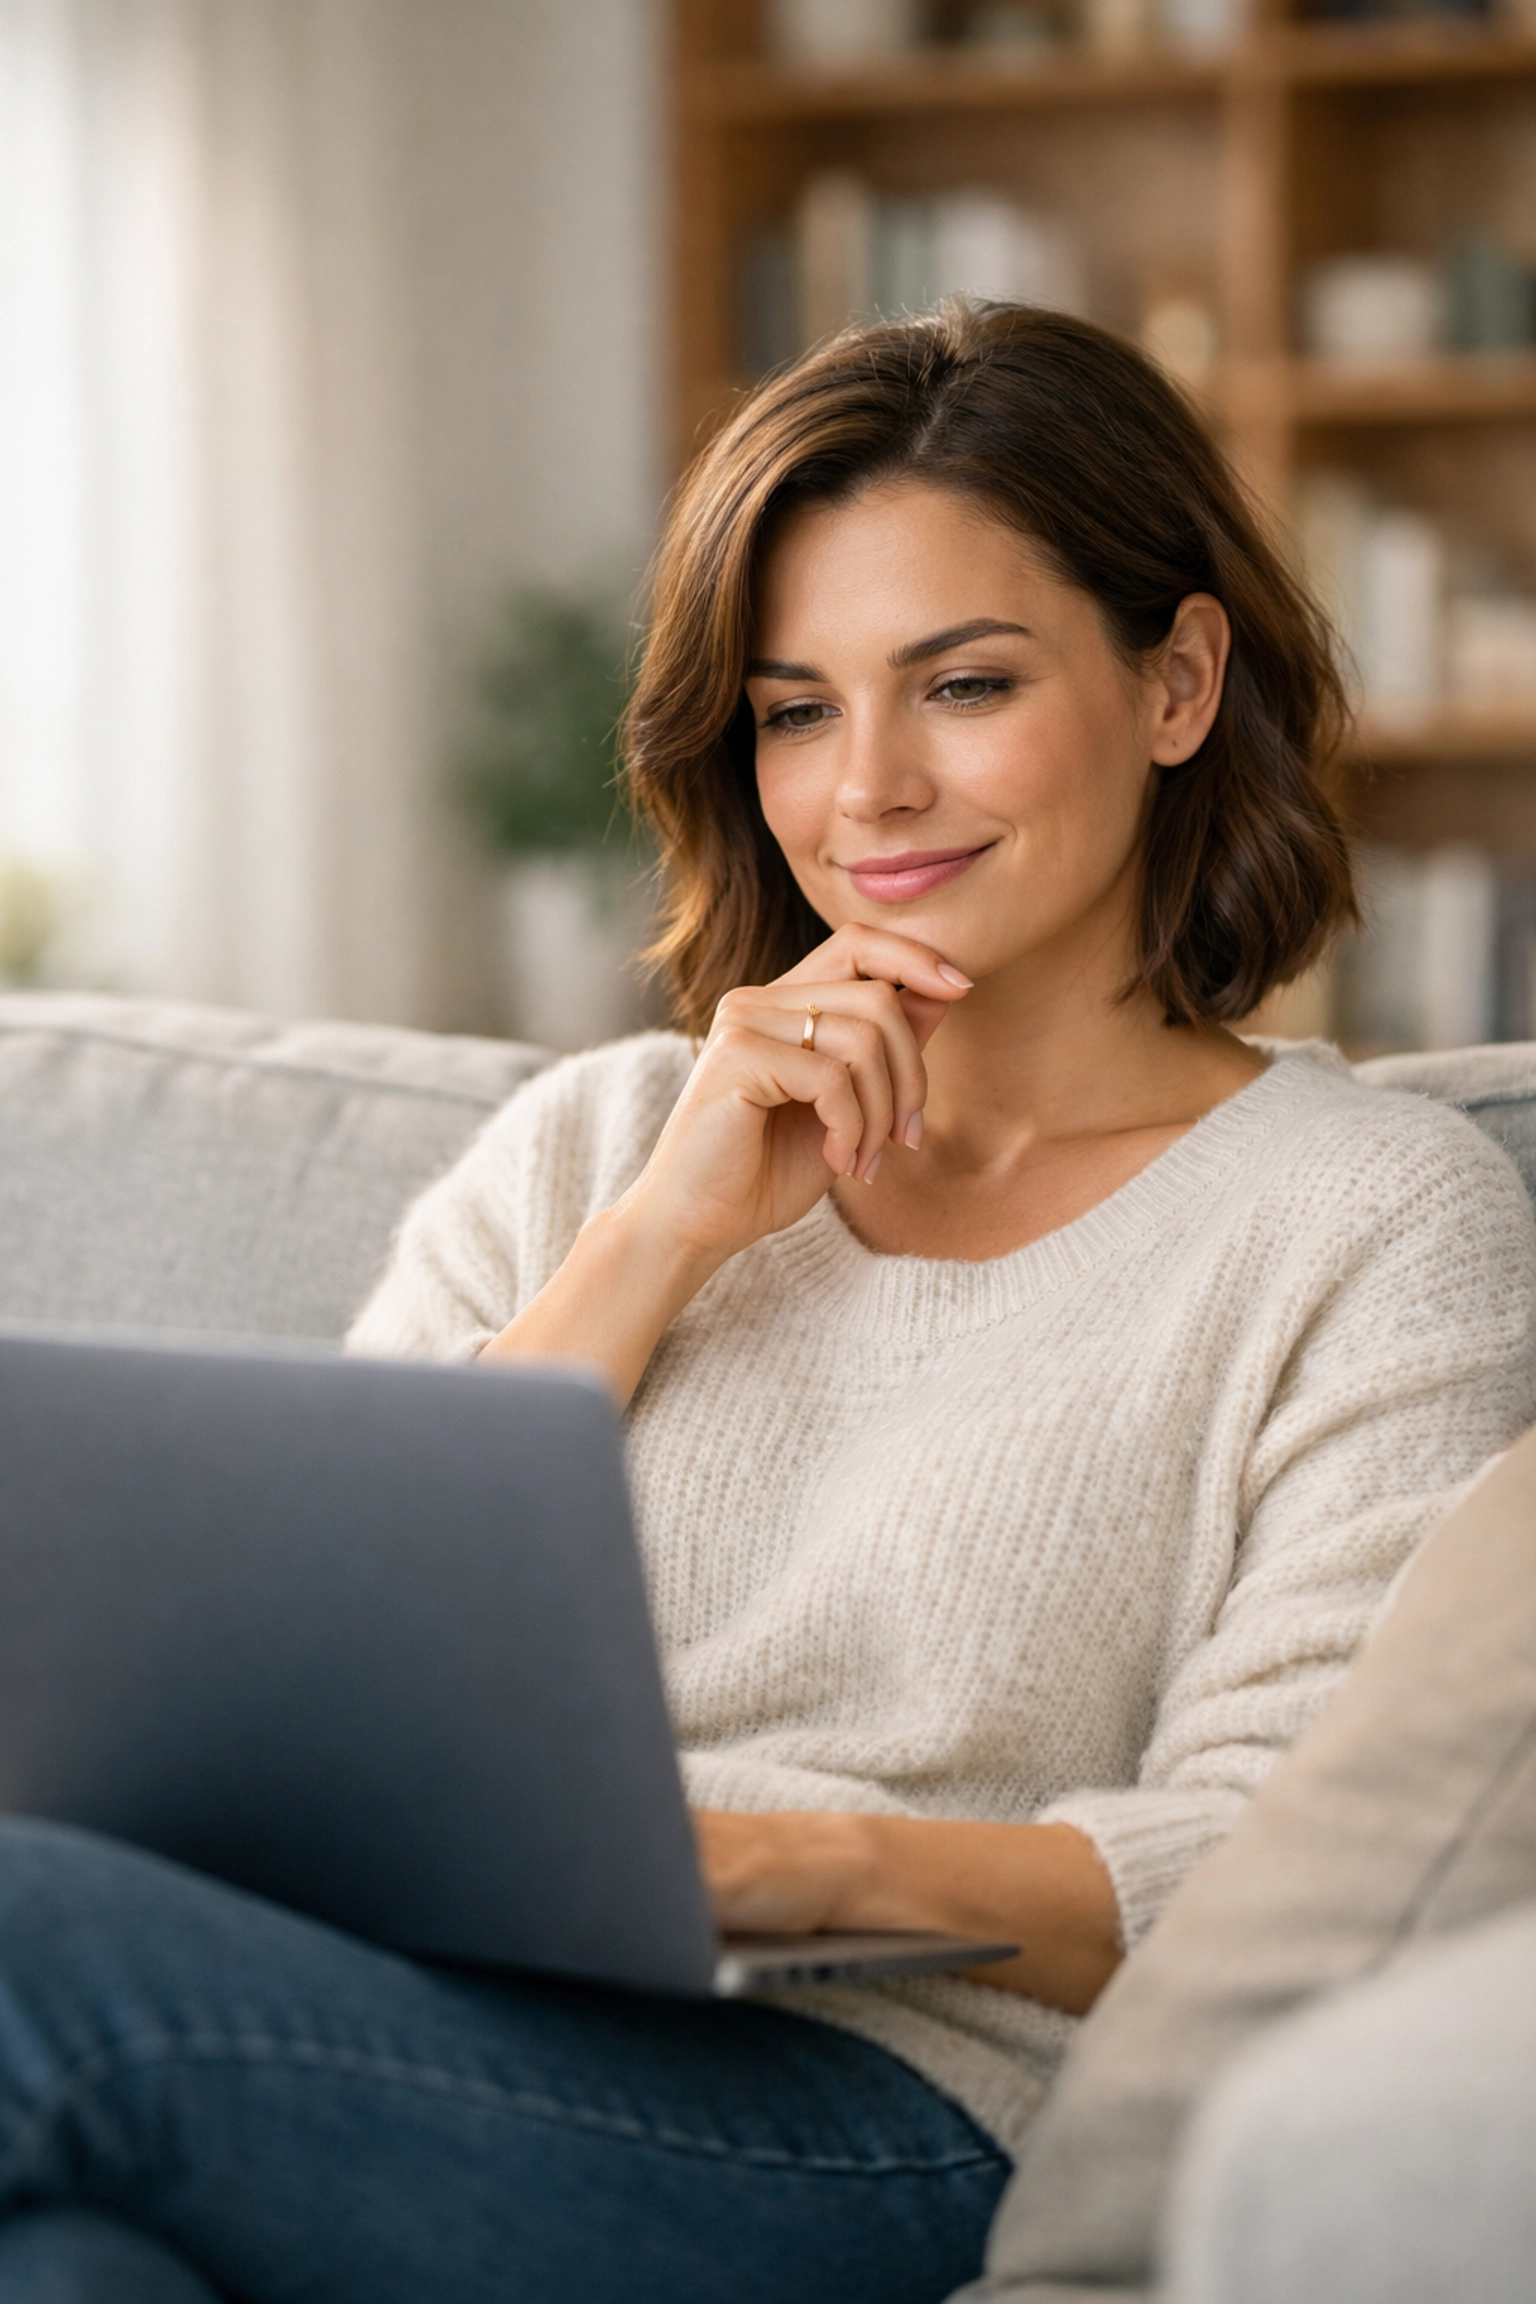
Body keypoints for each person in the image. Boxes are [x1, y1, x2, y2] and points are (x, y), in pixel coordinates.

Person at [0, 301, 1529, 2304]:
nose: (868, 788)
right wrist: (656, 1245)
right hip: (420, 2021)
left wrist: (789, 1870)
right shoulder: (597, 1143)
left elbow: (1277, 1872)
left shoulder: (1367, 1222)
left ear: (1176, 680)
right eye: (797, 709)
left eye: (962, 684)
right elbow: (308, 1694)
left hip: (885, 2115)